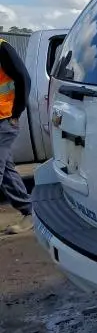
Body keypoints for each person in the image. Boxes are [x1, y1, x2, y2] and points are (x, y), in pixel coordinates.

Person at [0, 38, 32, 235]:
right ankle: (29, 212)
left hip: (4, 120)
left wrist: (16, 113)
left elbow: (23, 78)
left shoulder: (2, 48)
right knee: (7, 173)